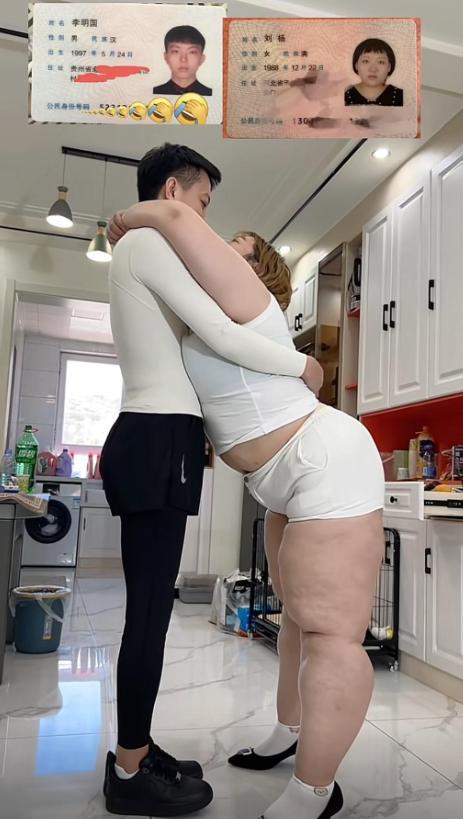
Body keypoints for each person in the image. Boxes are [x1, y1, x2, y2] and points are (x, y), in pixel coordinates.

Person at [109, 199, 385, 819]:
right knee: (295, 619)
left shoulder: (253, 302)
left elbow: (178, 222)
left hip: (324, 461)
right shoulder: (207, 313)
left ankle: (317, 791)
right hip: (280, 477)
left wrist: (130, 216)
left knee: (331, 634)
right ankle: (290, 733)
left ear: (259, 270)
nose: (216, 248)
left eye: (235, 245)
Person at [100, 142, 320, 819]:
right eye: (201, 201)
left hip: (156, 436)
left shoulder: (142, 246)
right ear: (173, 191)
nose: (204, 217)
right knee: (148, 613)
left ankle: (137, 747)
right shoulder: (149, 245)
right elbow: (221, 334)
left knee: (151, 610)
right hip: (154, 437)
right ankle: (129, 771)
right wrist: (301, 365)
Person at [153, 25, 213, 97]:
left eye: (192, 52)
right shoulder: (155, 92)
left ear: (201, 59)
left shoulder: (211, 94)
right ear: (166, 57)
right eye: (176, 51)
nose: (183, 59)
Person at [344, 38, 403, 106]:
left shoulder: (400, 96)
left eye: (380, 62)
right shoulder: (344, 95)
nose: (373, 69)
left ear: (389, 67)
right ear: (356, 65)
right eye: (366, 61)